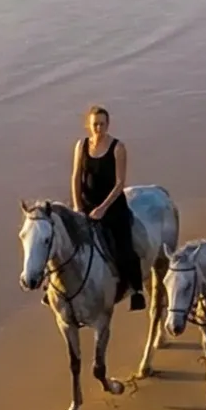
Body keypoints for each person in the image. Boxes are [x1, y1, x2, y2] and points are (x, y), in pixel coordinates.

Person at [69, 104, 142, 310]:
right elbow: (75, 177)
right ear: (88, 125)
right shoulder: (81, 146)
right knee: (62, 241)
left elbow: (120, 183)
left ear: (108, 124)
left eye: (102, 124)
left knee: (124, 249)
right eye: (95, 124)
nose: (98, 128)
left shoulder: (118, 148)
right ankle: (52, 287)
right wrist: (77, 205)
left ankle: (136, 290)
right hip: (85, 204)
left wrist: (102, 209)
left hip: (111, 207)